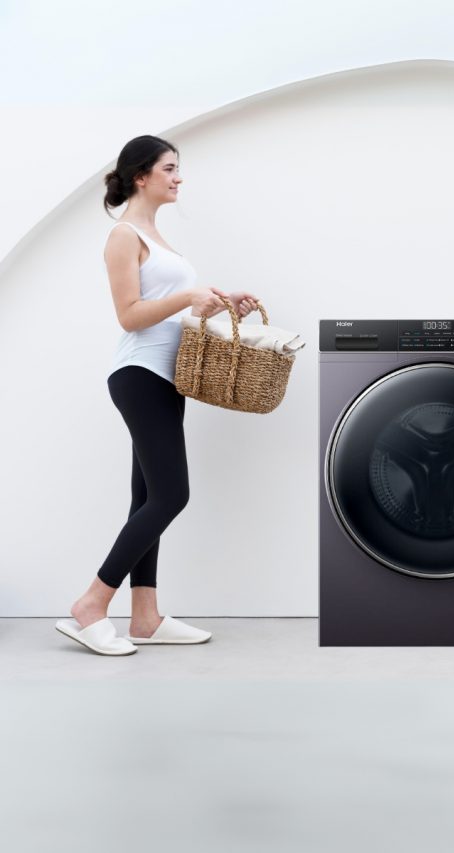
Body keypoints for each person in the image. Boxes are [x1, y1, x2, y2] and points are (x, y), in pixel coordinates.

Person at [55, 135, 259, 656]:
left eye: (178, 169)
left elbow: (172, 309)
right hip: (139, 375)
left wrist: (215, 299)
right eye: (169, 168)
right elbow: (129, 315)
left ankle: (144, 616)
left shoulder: (156, 236)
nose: (178, 177)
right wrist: (187, 296)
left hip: (168, 378)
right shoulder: (123, 236)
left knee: (147, 499)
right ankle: (91, 604)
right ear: (141, 175)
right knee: (172, 495)